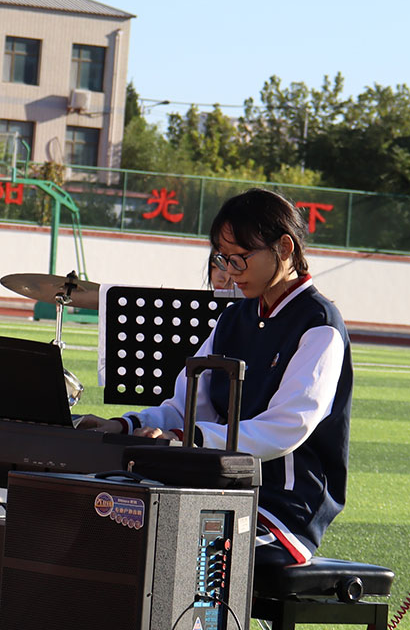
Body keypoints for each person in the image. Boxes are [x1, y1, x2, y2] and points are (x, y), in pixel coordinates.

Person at [77, 188, 352, 572]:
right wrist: (125, 425)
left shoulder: (318, 324)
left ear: (285, 248)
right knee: (105, 519)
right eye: (223, 259)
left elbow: (288, 427)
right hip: (217, 488)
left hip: (282, 509)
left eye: (240, 259)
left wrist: (191, 438)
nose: (230, 272)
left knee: (169, 552)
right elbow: (186, 406)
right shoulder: (233, 319)